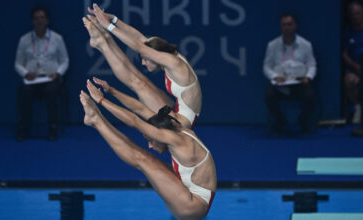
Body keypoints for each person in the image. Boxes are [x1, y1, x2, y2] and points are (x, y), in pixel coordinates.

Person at [79, 79, 216, 219]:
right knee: (146, 158)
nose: (150, 145)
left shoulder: (174, 139)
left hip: (193, 207)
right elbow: (140, 109)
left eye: (150, 140)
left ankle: (96, 120)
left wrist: (101, 100)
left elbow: (134, 121)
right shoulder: (174, 125)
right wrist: (112, 91)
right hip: (195, 197)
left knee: (142, 159)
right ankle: (95, 119)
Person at [83, 3, 202, 129]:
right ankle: (105, 38)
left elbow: (139, 47)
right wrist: (113, 19)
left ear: (154, 55)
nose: (143, 63)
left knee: (137, 83)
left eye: (145, 59)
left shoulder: (172, 61)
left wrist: (109, 26)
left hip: (181, 124)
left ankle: (102, 44)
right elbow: (139, 38)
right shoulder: (165, 51)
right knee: (140, 78)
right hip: (180, 110)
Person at [15, 6, 69, 141]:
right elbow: (17, 63)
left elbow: (65, 60)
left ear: (47, 20)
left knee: (51, 91)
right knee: (24, 91)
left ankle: (53, 128)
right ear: (32, 21)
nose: (39, 20)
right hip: (31, 80)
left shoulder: (57, 38)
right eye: (36, 18)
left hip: (51, 79)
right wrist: (25, 73)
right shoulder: (24, 40)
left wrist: (58, 73)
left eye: (42, 17)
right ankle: (24, 129)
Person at [263, 14, 317, 134]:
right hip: (280, 84)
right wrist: (274, 76)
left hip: (299, 84)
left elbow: (312, 65)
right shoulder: (272, 45)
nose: (286, 28)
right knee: (269, 94)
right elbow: (266, 66)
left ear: (295, 26)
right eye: (283, 25)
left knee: (310, 94)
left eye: (289, 24)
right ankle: (280, 121)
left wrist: (308, 77)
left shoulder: (306, 45)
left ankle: (303, 121)